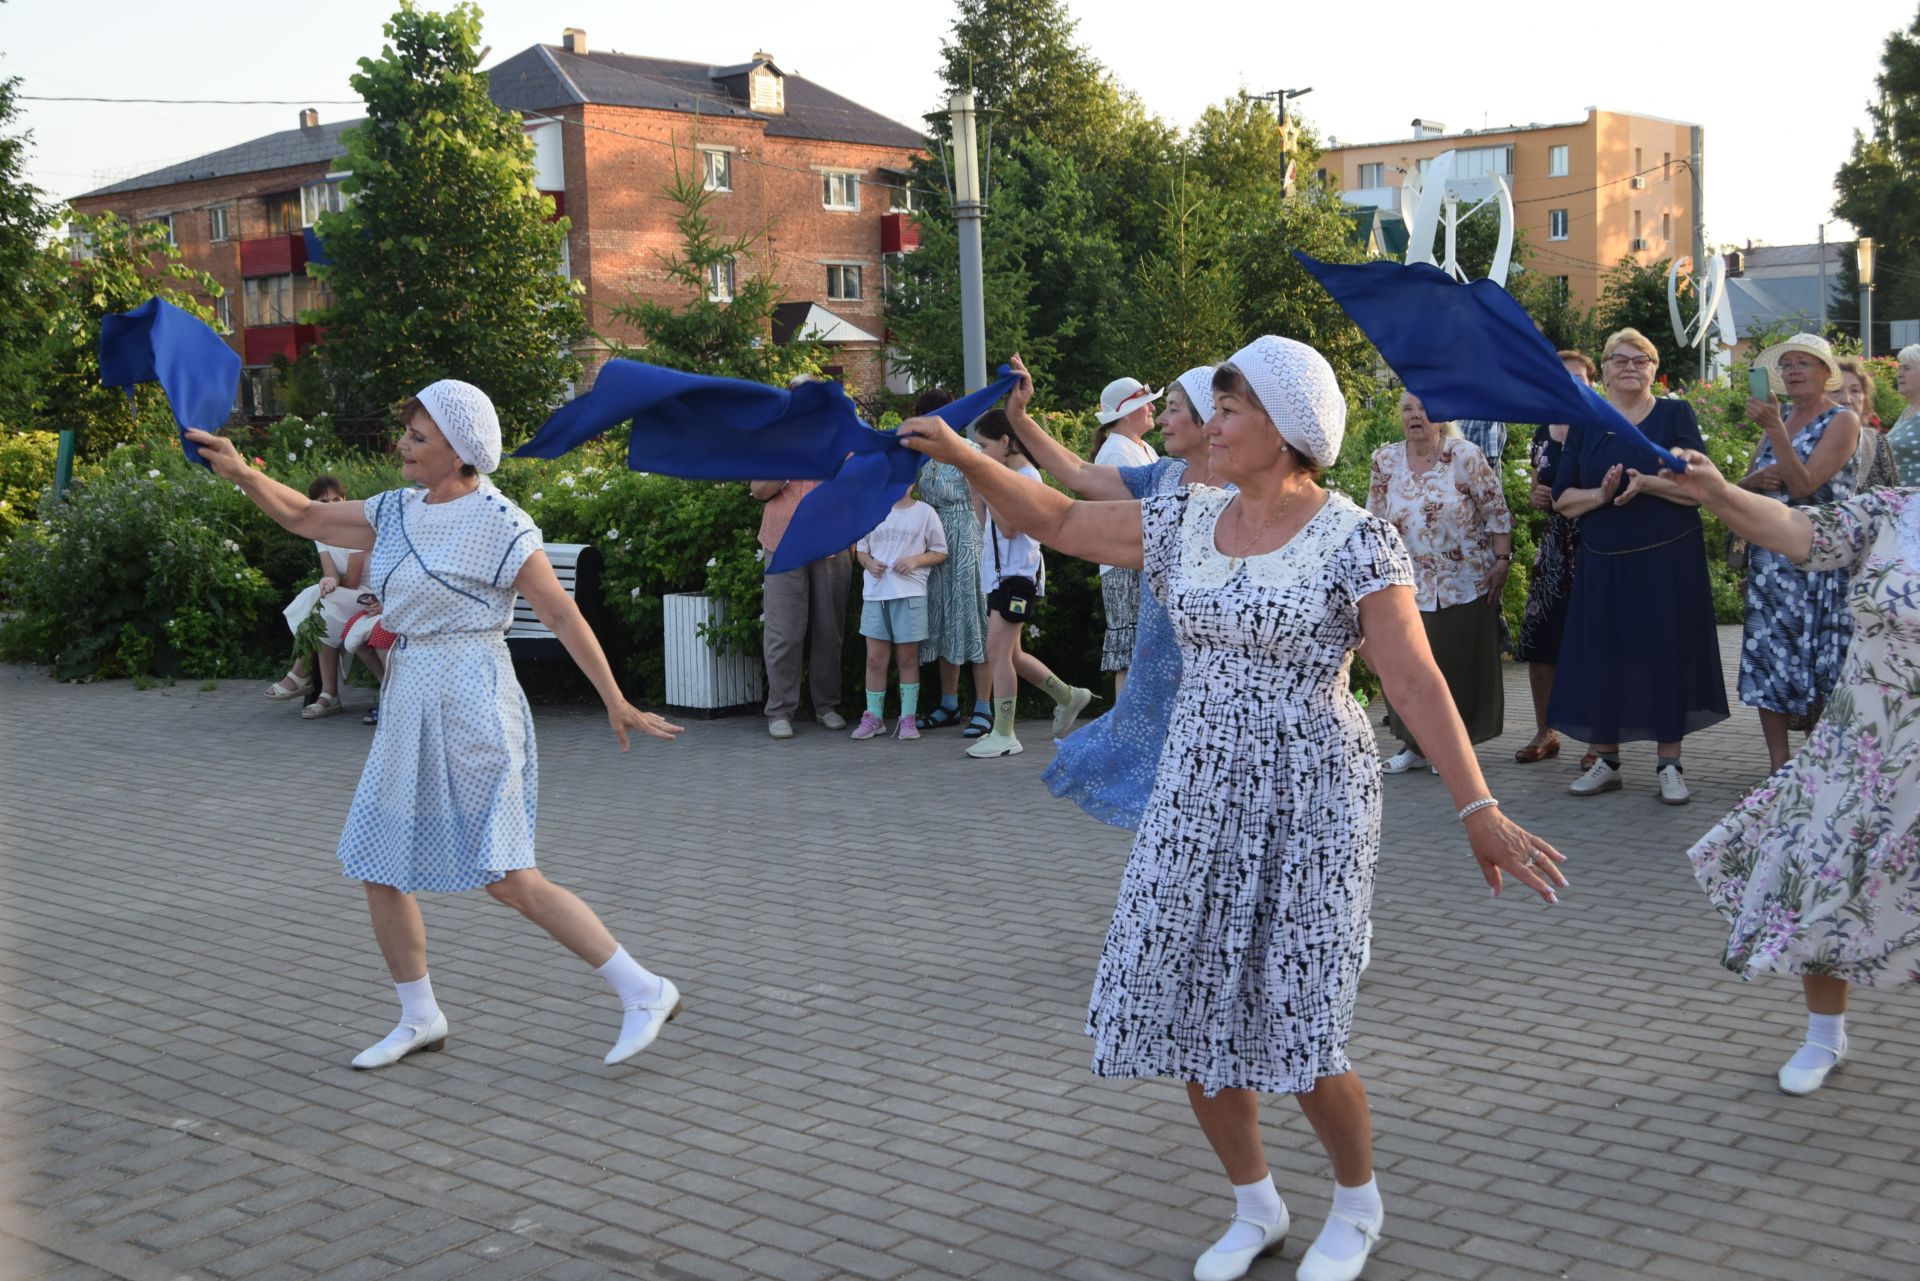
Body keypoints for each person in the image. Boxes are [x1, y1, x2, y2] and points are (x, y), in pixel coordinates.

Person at [899, 334, 1565, 1281]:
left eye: (1232, 407)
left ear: (1290, 429)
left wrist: (1478, 808)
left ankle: (1356, 1200)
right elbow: (1052, 517)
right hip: (1197, 793)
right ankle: (1256, 1202)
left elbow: (1414, 683)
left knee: (1302, 1020)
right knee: (1188, 1007)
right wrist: (968, 453)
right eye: (1212, 405)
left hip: (1314, 799)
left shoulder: (1354, 537)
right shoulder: (1182, 520)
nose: (1211, 425)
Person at [183, 381, 686, 1071]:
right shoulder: (396, 510)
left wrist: (615, 699)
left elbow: (566, 616)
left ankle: (643, 988)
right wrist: (242, 473)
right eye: (407, 433)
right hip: (409, 694)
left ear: (460, 450)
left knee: (508, 875)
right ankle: (420, 1015)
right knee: (377, 861)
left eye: (418, 438)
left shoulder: (500, 522)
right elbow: (304, 515)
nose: (402, 446)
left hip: (475, 697)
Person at [1665, 448, 1920, 1096]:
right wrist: (1718, 491)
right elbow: (1798, 531)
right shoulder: (1895, 513)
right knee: (1823, 881)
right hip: (1864, 748)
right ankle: (1824, 1034)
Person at [1007, 357, 1222, 828]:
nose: (1161, 418)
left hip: (1217, 669)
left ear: (1209, 420)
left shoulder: (1247, 491)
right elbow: (1080, 475)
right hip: (1159, 659)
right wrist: (1019, 419)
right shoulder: (1162, 475)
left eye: (1173, 409)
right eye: (1160, 408)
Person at [1549, 327, 1727, 804]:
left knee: (1666, 654)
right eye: (1620, 359)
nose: (1630, 367)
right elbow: (1564, 499)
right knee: (1606, 655)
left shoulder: (1674, 414)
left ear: (1654, 369)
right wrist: (1601, 495)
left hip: (1669, 560)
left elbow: (1702, 488)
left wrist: (1648, 483)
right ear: (1603, 370)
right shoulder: (1586, 421)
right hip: (1605, 562)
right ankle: (1606, 761)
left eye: (1641, 360)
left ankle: (1670, 763)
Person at [1367, 393, 1512, 774]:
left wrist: (1502, 559)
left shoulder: (1465, 455)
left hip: (1465, 579)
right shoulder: (1385, 460)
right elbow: (1375, 520)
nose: (1415, 416)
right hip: (1407, 583)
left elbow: (1495, 508)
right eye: (1407, 409)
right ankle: (1414, 745)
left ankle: (1452, 749)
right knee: (1410, 664)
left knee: (1457, 665)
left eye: (1424, 409)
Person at [1736, 334, 1860, 772]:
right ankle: (1778, 769)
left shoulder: (1842, 420)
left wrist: (1773, 430)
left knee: (1820, 661)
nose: (1792, 371)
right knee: (1768, 654)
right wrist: (1756, 480)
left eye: (1803, 363)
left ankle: (1817, 769)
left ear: (1826, 373)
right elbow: (1746, 484)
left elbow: (1807, 485)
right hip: (1772, 559)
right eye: (1786, 364)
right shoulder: (1784, 417)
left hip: (1819, 557)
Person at [968, 410, 1095, 759]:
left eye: (983, 446)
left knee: (996, 653)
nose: (979, 452)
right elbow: (989, 526)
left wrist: (985, 484)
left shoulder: (1026, 477)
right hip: (1000, 575)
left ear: (1006, 442)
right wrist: (977, 489)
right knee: (1012, 654)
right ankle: (1069, 696)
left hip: (1017, 577)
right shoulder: (1007, 476)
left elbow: (1010, 528)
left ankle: (1005, 732)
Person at [1512, 352, 1594, 764]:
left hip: (1594, 545)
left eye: (1580, 378)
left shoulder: (1600, 427)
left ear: (1591, 384)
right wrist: (1537, 497)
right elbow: (1536, 489)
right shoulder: (1542, 432)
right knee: (1540, 637)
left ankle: (1601, 742)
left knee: (1598, 642)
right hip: (1554, 548)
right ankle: (1547, 732)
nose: (1571, 384)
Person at [909, 389, 994, 737]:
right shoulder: (921, 457)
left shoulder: (968, 453)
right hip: (934, 546)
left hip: (966, 543)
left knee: (974, 619)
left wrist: (984, 548)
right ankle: (948, 704)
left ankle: (985, 707)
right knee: (943, 621)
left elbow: (982, 502)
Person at [751, 473, 851, 740]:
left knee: (829, 629)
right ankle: (780, 711)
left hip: (833, 539)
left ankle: (826, 705)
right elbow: (759, 490)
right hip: (782, 540)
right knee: (783, 630)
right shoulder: (776, 436)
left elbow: (858, 490)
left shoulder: (841, 435)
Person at [264, 475, 368, 720]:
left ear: (345, 499)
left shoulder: (355, 527)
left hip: (368, 594)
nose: (332, 506)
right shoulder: (320, 532)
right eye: (324, 501)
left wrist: (334, 584)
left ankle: (303, 674)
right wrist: (327, 581)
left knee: (324, 609)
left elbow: (353, 581)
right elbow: (331, 573)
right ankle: (326, 695)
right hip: (347, 594)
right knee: (314, 596)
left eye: (337, 500)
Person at [852, 488, 948, 740]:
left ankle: (908, 720)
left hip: (910, 594)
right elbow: (861, 550)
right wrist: (869, 563)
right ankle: (874, 718)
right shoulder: (872, 509)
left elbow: (940, 550)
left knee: (907, 658)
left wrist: (915, 561)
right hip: (875, 595)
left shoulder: (925, 512)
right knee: (874, 659)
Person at [1089, 376, 1162, 697]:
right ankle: (1123, 732)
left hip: (1145, 560)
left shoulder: (1144, 448)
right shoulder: (1114, 452)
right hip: (1124, 563)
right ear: (1128, 412)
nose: (1153, 408)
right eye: (1146, 403)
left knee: (1142, 650)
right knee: (1128, 652)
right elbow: (1116, 518)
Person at [1834, 354, 1895, 493]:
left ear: (1865, 399)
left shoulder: (1878, 443)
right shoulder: (1808, 441)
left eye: (1855, 391)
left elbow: (1892, 498)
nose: (1846, 399)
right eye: (1836, 390)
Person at [1880, 343, 1920, 482]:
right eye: (1899, 368)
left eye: (1906, 368)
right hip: (1901, 498)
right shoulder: (1908, 411)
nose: (1899, 374)